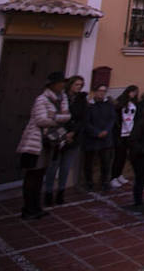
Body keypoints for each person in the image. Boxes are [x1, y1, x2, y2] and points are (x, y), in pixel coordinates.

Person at [16, 71, 71, 220]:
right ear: (52, 84)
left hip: (50, 142)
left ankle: (36, 206)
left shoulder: (62, 98)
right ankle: (28, 208)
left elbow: (67, 116)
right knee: (32, 175)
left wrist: (56, 118)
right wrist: (59, 120)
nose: (63, 85)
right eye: (60, 82)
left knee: (40, 175)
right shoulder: (42, 99)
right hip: (35, 142)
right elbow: (40, 120)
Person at [43, 75, 85, 206]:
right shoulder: (60, 99)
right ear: (70, 85)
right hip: (59, 137)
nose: (79, 87)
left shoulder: (82, 99)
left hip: (74, 137)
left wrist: (73, 133)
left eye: (80, 85)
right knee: (53, 166)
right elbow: (56, 116)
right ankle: (48, 193)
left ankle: (61, 193)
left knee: (66, 167)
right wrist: (65, 133)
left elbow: (83, 118)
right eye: (77, 84)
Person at [83, 84, 115, 191]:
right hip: (91, 138)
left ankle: (105, 181)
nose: (101, 93)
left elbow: (112, 119)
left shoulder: (109, 105)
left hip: (106, 138)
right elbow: (86, 122)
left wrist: (106, 130)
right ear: (95, 92)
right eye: (100, 91)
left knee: (105, 162)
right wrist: (96, 132)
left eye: (104, 91)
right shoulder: (89, 105)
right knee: (89, 162)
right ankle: (89, 182)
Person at [111, 85, 138, 188]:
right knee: (118, 156)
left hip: (129, 133)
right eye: (132, 92)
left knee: (123, 156)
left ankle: (119, 175)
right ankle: (113, 177)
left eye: (135, 92)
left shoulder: (134, 103)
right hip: (120, 133)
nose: (133, 94)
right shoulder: (120, 103)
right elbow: (116, 117)